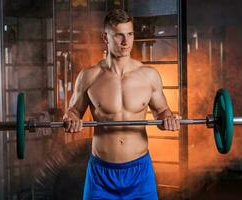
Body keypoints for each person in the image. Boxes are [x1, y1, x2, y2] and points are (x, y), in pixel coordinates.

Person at [63, 9, 180, 200]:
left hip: (139, 173)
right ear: (105, 37)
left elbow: (162, 110)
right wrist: (71, 120)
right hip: (101, 174)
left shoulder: (148, 76)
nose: (126, 42)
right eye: (119, 35)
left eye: (130, 34)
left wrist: (168, 118)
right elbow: (73, 111)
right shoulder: (89, 76)